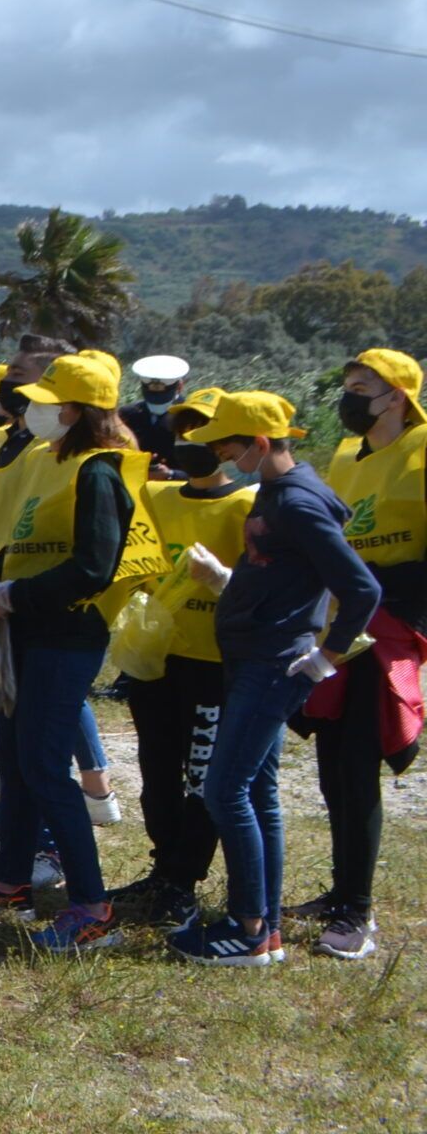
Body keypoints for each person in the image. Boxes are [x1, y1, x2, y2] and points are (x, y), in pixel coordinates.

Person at [0, 351, 162, 953]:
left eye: (43, 401)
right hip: (27, 630)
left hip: (67, 635)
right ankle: (11, 880)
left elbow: (94, 567)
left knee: (42, 766)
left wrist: (9, 596)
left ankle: (92, 906)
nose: (29, 408)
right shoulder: (47, 459)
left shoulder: (98, 471)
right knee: (14, 757)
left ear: (71, 410)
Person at [169, 392, 379, 965]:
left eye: (226, 446)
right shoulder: (275, 492)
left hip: (273, 664)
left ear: (261, 444)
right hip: (252, 655)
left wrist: (325, 657)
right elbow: (279, 574)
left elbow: (362, 589)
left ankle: (250, 931)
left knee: (223, 789)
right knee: (256, 790)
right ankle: (267, 925)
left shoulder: (299, 502)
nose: (219, 455)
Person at [289, 349, 427, 958]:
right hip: (339, 623)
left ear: (395, 395)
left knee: (357, 764)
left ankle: (358, 913)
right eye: (346, 384)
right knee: (330, 766)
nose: (348, 397)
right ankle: (342, 890)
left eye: (360, 387)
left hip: (393, 624)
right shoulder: (346, 456)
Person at [109, 387, 248, 928]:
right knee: (156, 772)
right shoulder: (160, 499)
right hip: (156, 660)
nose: (189, 441)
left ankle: (184, 880)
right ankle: (163, 868)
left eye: (203, 431)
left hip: (213, 663)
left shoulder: (247, 503)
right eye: (182, 430)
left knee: (202, 779)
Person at [120, 354, 191, 475]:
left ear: (179, 387)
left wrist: (172, 474)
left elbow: (206, 467)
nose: (156, 401)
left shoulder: (192, 416)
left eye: (163, 396)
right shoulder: (127, 415)